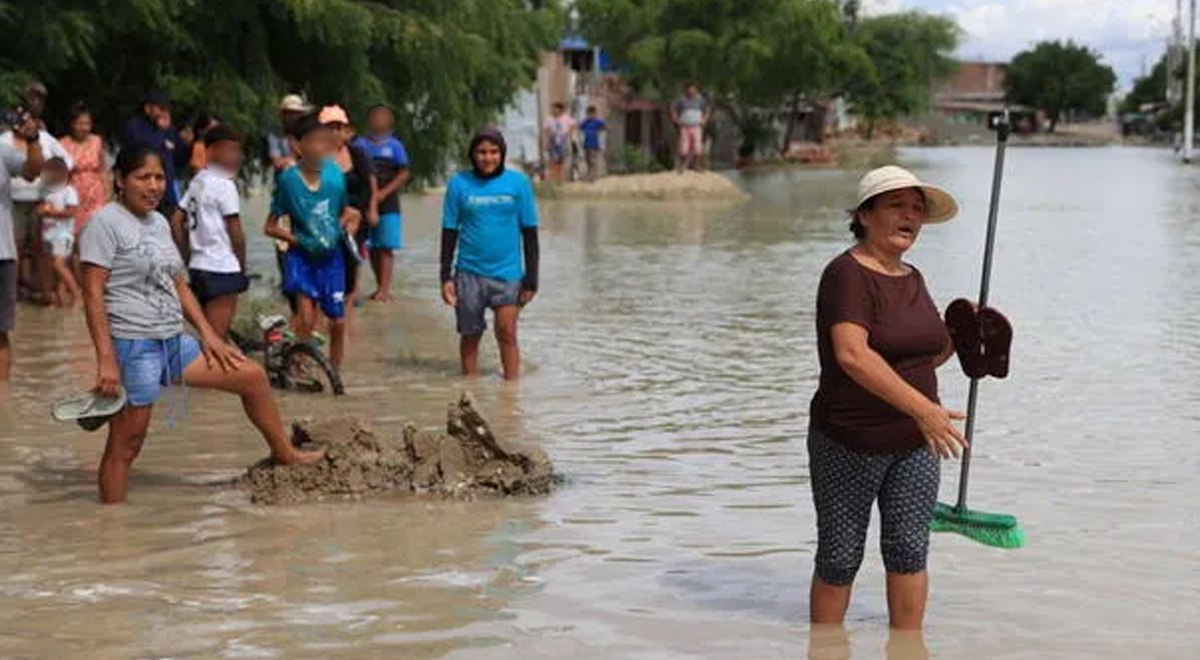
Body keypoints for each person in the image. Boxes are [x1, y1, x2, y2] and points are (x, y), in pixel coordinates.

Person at [80, 144, 322, 504]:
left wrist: (210, 336)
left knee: (251, 377)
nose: (153, 185)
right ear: (120, 179)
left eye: (159, 177)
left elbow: (179, 284)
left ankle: (284, 452)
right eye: (142, 177)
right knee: (125, 446)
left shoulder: (159, 222)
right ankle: (112, 529)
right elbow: (92, 294)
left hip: (173, 342)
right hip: (133, 347)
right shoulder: (105, 223)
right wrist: (105, 359)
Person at [807, 165, 968, 631]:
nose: (911, 216)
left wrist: (964, 336)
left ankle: (908, 647)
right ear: (865, 214)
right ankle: (826, 647)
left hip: (916, 443)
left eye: (917, 209)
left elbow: (921, 357)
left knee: (909, 552)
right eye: (898, 205)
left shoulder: (913, 276)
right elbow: (853, 356)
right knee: (840, 557)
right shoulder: (845, 275)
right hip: (849, 439)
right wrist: (925, 410)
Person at [440, 127, 539, 381]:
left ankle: (511, 392)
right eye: (482, 152)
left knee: (507, 332)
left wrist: (532, 279)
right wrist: (445, 277)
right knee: (470, 335)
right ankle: (470, 389)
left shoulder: (518, 183)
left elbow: (529, 233)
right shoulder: (459, 184)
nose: (488, 157)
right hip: (469, 273)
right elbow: (449, 232)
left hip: (507, 273)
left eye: (494, 152)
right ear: (473, 154)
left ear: (502, 153)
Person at [264, 113, 360, 369]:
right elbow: (270, 227)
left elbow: (343, 212)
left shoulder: (335, 176)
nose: (319, 147)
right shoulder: (288, 180)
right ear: (297, 146)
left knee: (338, 323)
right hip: (301, 258)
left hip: (332, 259)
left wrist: (350, 220)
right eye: (312, 141)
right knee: (305, 317)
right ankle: (298, 364)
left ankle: (335, 375)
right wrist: (297, 240)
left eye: (323, 141)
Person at [170, 124, 248, 339]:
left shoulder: (198, 180)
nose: (238, 156)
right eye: (232, 150)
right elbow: (236, 233)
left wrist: (187, 255)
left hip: (198, 268)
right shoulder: (225, 184)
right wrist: (241, 267)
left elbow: (176, 221)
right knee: (215, 343)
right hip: (222, 269)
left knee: (210, 338)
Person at [0, 103, 73, 306]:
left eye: (24, 118)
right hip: (11, 202)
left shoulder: (44, 138)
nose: (20, 123)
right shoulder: (3, 141)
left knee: (42, 249)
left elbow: (67, 160)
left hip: (41, 199)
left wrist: (52, 178)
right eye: (17, 118)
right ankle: (12, 294)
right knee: (14, 247)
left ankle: (45, 293)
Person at [0, 111, 45, 381]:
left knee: (0, 334)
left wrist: (33, 138)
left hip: (1, 255)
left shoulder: (2, 152)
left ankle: (2, 405)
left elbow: (33, 171)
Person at [323, 105, 377, 314]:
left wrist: (371, 208)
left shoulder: (357, 153)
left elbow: (370, 182)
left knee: (352, 258)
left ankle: (348, 305)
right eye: (330, 127)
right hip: (328, 216)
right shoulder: (315, 156)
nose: (335, 132)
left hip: (356, 216)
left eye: (338, 127)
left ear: (346, 131)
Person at [353, 105, 409, 302]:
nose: (379, 120)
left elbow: (404, 173)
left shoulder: (395, 146)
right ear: (368, 120)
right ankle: (373, 286)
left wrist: (383, 193)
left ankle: (384, 289)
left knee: (386, 246)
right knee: (369, 246)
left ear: (390, 121)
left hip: (389, 203)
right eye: (375, 116)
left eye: (383, 117)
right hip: (363, 202)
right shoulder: (359, 144)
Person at [123, 90, 191, 217]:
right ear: (148, 108)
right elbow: (144, 152)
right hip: (143, 191)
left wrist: (186, 144)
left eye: (166, 108)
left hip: (166, 191)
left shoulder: (169, 129)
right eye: (160, 108)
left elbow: (179, 160)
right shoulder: (135, 126)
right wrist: (161, 132)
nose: (164, 112)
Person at [59, 103, 111, 243]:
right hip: (73, 195)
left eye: (87, 124)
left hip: (95, 195)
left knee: (97, 235)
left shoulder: (97, 141)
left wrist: (107, 195)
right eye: (80, 123)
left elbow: (102, 169)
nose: (84, 128)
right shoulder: (63, 143)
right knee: (76, 240)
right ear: (72, 124)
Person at [34, 158, 82, 307]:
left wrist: (52, 212)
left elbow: (72, 212)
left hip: (63, 234)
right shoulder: (46, 191)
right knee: (53, 268)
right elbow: (39, 209)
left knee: (58, 264)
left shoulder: (69, 191)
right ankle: (60, 299)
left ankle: (77, 294)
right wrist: (41, 211)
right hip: (47, 234)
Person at [670, 83, 709, 172]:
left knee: (697, 147)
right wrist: (675, 118)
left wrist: (704, 120)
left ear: (696, 90)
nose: (691, 91)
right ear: (686, 90)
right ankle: (681, 166)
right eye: (689, 90)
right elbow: (673, 108)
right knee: (684, 147)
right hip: (685, 127)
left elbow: (707, 110)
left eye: (693, 90)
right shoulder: (681, 100)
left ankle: (697, 166)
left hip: (697, 127)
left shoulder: (701, 100)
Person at [542, 102, 575, 183]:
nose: (554, 110)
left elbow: (573, 125)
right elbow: (547, 131)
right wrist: (547, 141)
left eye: (556, 108)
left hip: (563, 139)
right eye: (553, 108)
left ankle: (560, 178)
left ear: (560, 109)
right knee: (553, 159)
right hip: (553, 140)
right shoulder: (549, 119)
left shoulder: (566, 118)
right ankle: (553, 177)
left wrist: (568, 134)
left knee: (561, 160)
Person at [579, 105, 607, 182]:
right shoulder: (586, 122)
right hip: (586, 144)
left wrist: (599, 133)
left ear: (595, 113)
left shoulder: (598, 121)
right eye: (588, 114)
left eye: (591, 113)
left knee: (593, 161)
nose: (590, 115)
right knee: (588, 161)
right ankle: (590, 175)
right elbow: (580, 127)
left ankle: (592, 177)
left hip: (595, 144)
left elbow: (605, 127)